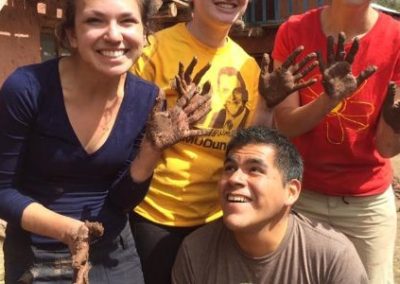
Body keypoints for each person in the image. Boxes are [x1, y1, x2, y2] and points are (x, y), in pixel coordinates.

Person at [0, 0, 212, 283]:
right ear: (71, 35)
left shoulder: (145, 99)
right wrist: (69, 231)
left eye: (127, 21)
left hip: (114, 253)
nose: (114, 35)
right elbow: (3, 191)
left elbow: (120, 201)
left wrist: (151, 152)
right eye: (95, 21)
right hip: (37, 253)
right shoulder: (28, 89)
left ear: (145, 33)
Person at [130, 0, 318, 283]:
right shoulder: (153, 50)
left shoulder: (248, 67)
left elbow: (247, 148)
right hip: (156, 217)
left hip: (219, 220)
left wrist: (266, 106)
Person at [272, 1, 400, 283]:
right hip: (300, 195)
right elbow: (286, 125)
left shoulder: (396, 39)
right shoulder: (294, 31)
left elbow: (386, 148)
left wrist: (396, 124)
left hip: (366, 205)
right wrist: (329, 99)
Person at [172, 126, 368, 284]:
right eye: (230, 168)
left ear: (291, 192)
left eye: (255, 170)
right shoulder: (196, 250)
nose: (234, 178)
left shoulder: (331, 257)